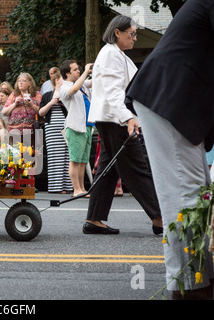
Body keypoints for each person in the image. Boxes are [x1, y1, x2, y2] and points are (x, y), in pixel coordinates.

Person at [126, 0, 213, 299]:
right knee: (184, 195)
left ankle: (199, 277)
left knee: (196, 194)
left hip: (176, 98)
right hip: (170, 96)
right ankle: (187, 286)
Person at [84, 15, 163, 235]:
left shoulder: (117, 55)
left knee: (108, 170)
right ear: (117, 32)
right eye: (132, 33)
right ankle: (159, 217)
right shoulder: (111, 54)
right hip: (115, 119)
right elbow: (113, 91)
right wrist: (128, 117)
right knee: (136, 166)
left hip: (111, 118)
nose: (135, 38)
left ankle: (94, 218)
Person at [58, 60, 93, 197]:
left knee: (83, 161)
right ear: (67, 74)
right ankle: (76, 189)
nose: (78, 71)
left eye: (79, 69)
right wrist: (85, 72)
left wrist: (96, 70)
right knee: (75, 159)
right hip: (75, 127)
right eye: (75, 70)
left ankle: (82, 188)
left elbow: (93, 82)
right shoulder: (64, 87)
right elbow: (73, 90)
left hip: (87, 125)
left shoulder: (82, 84)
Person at [39, 72, 72, 194]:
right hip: (52, 128)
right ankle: (56, 187)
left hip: (67, 127)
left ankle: (67, 187)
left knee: (67, 157)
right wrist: (52, 102)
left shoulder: (68, 95)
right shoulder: (47, 95)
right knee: (55, 157)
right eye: (58, 81)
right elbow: (41, 113)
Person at [2, 72, 41, 146]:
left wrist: (31, 105)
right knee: (15, 154)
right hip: (13, 130)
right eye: (19, 81)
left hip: (30, 131)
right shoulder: (14, 94)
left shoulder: (36, 95)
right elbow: (4, 112)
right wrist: (15, 104)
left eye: (23, 81)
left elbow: (42, 112)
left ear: (30, 83)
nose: (21, 83)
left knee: (29, 154)